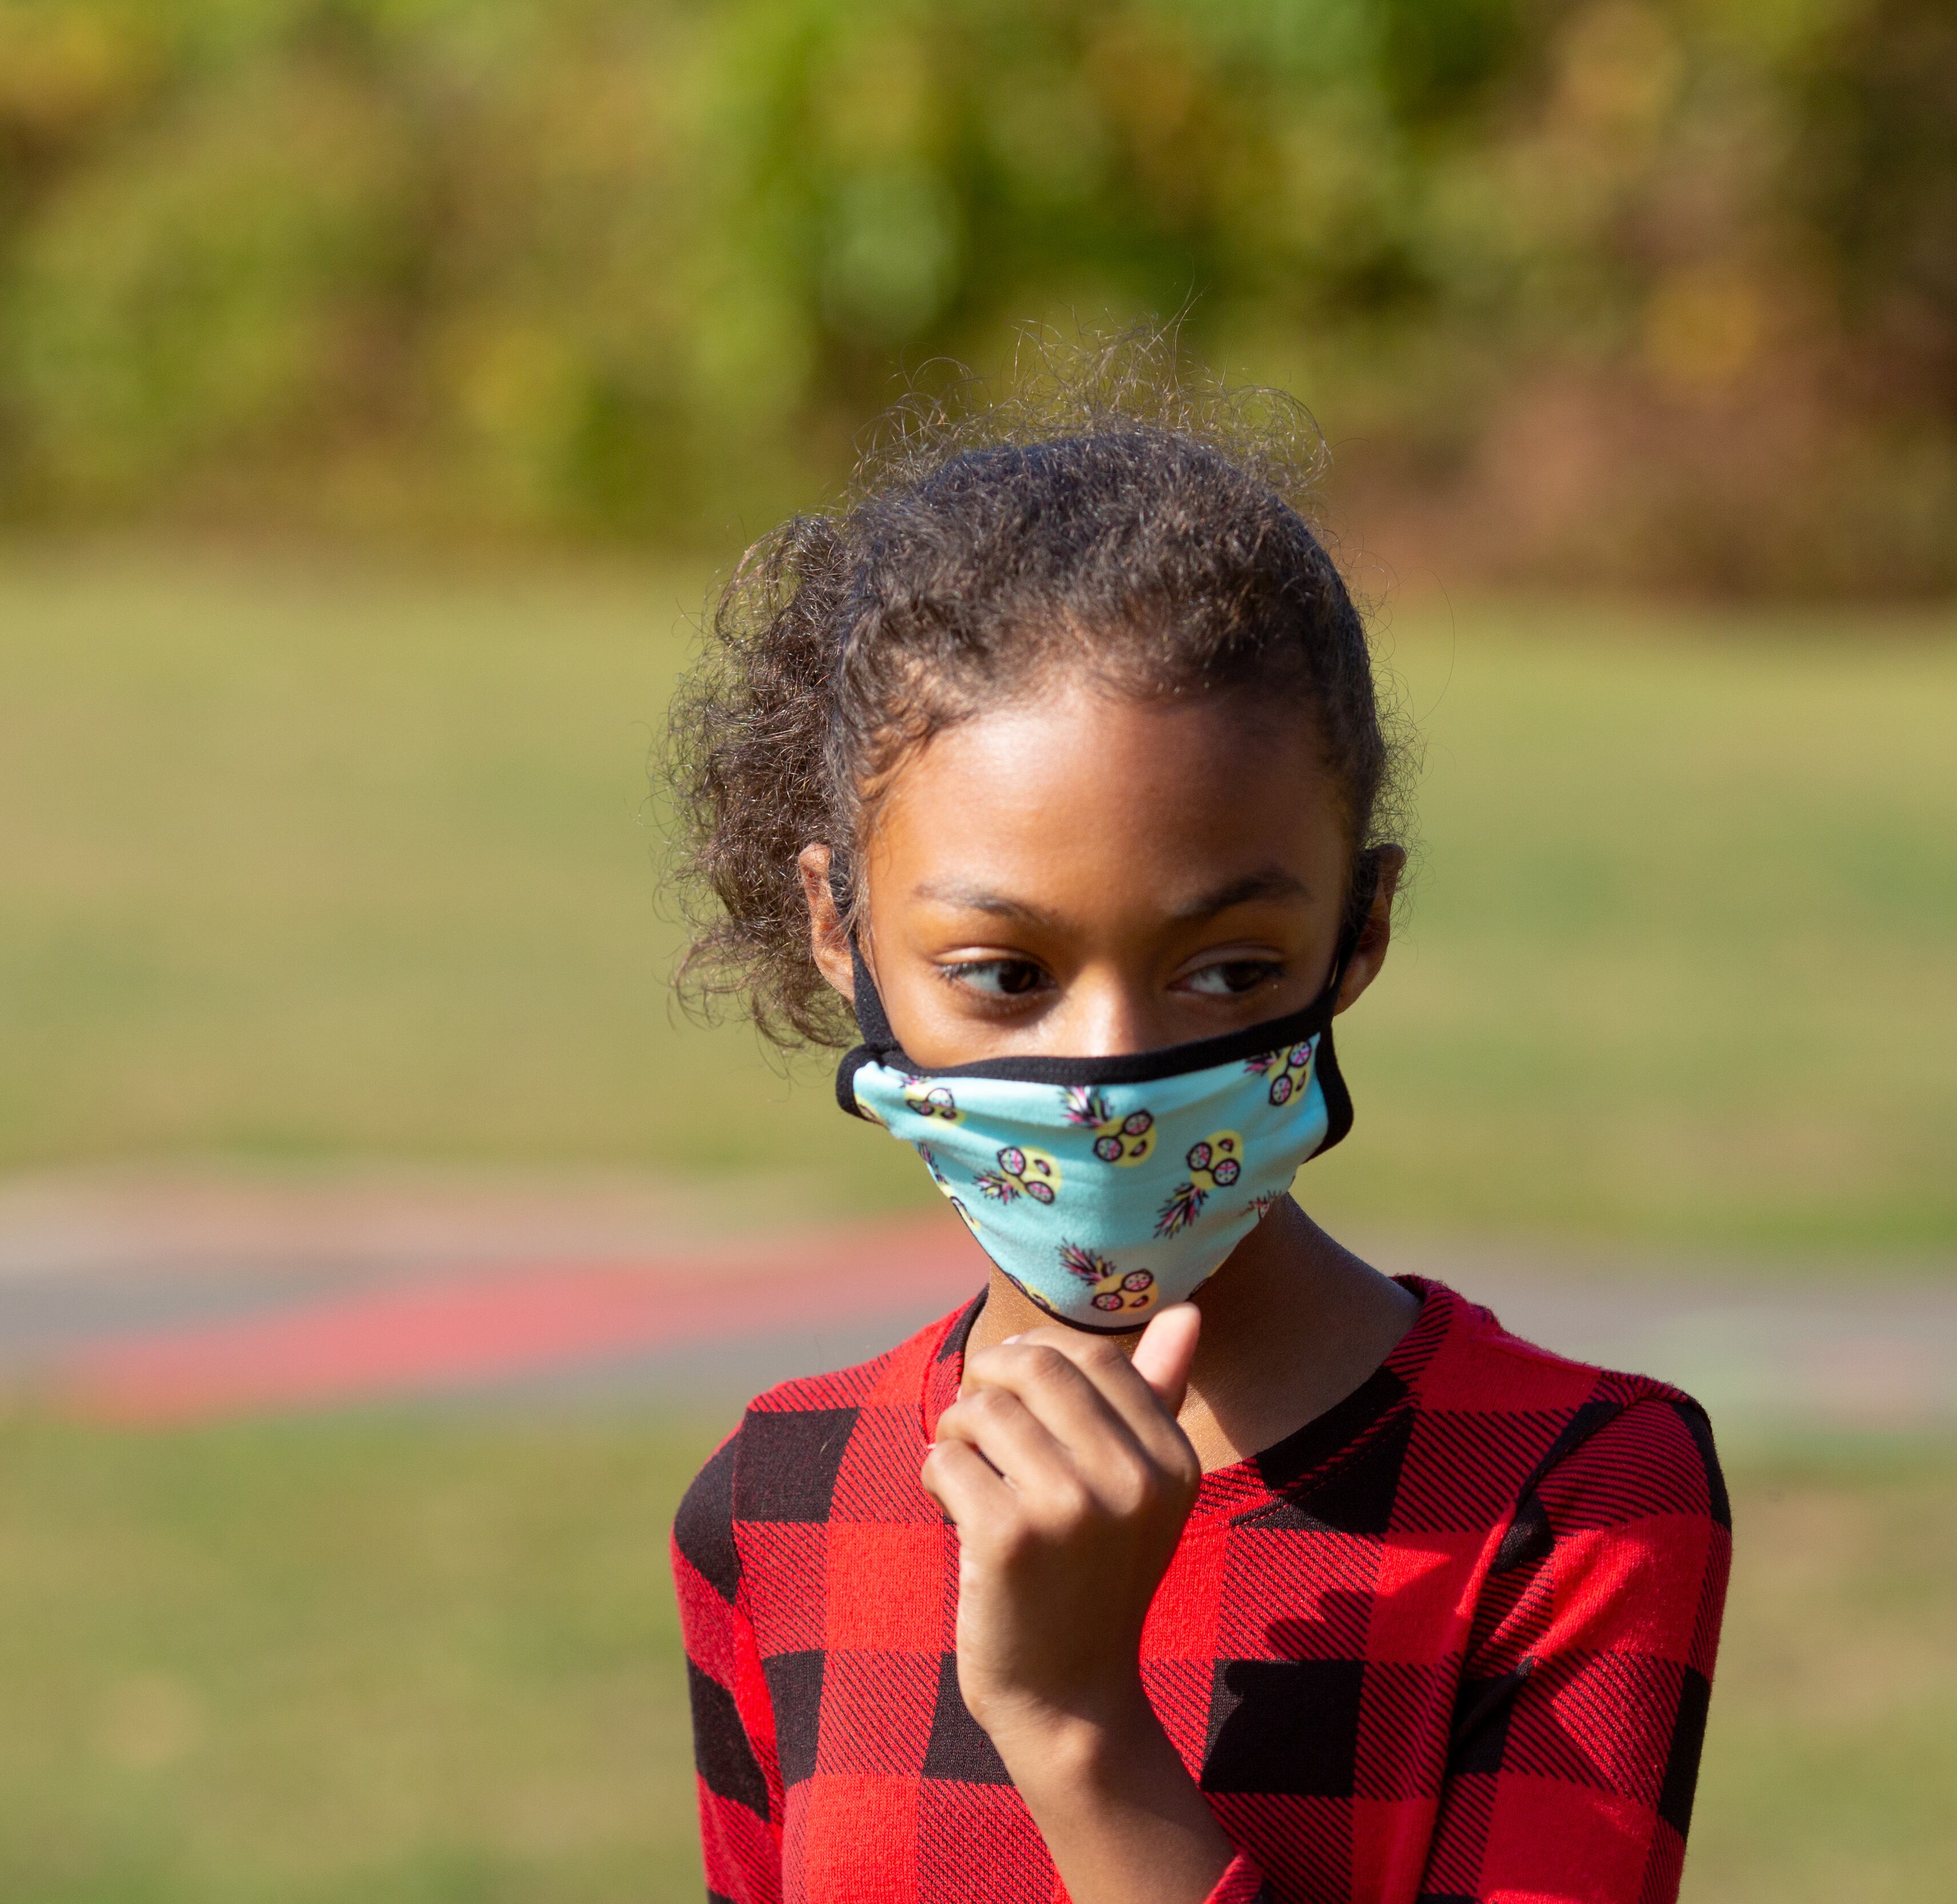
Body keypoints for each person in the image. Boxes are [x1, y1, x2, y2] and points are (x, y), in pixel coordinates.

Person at [659, 348, 1731, 1904]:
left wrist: (1077, 1725)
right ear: (842, 931)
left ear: (1358, 931)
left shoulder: (1567, 1500)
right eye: (1006, 974)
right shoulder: (777, 1502)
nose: (1112, 1068)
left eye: (1226, 970)